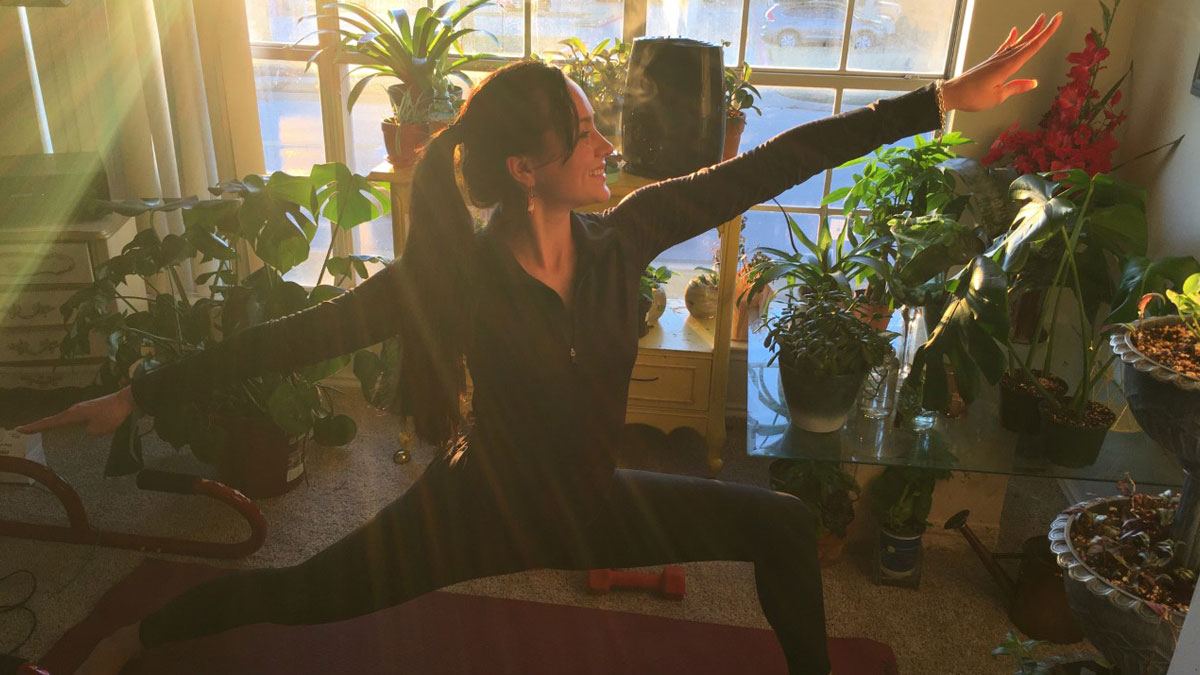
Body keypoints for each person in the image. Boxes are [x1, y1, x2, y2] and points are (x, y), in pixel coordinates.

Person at [20, 12, 1061, 675]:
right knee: (304, 595)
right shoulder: (452, 277)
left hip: (599, 505)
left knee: (782, 527)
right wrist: (144, 393)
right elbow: (302, 335)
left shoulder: (625, 238)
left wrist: (936, 102)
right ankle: (140, 636)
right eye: (584, 129)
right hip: (478, 512)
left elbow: (776, 163)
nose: (608, 141)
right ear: (528, 168)